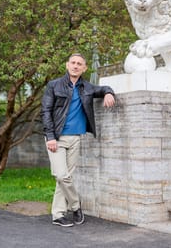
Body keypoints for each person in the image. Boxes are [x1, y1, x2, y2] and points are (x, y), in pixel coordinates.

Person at [41, 53, 115, 227]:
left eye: (79, 64)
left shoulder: (87, 88)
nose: (75, 66)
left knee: (64, 179)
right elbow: (45, 111)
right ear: (67, 65)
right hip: (56, 139)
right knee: (61, 175)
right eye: (73, 63)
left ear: (84, 68)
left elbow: (103, 88)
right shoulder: (54, 85)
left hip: (75, 139)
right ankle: (75, 206)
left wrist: (109, 93)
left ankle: (58, 214)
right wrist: (50, 136)